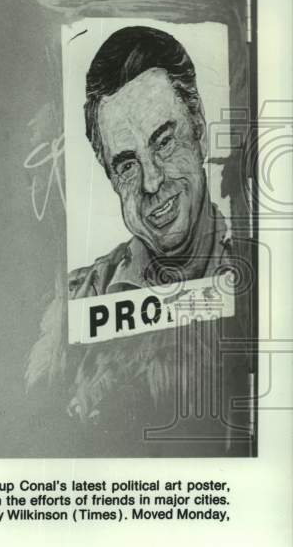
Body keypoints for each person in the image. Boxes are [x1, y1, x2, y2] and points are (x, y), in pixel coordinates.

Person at [26, 26, 248, 454]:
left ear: (198, 123)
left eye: (164, 142)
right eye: (127, 165)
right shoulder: (78, 297)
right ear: (109, 176)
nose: (151, 181)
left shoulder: (260, 274)